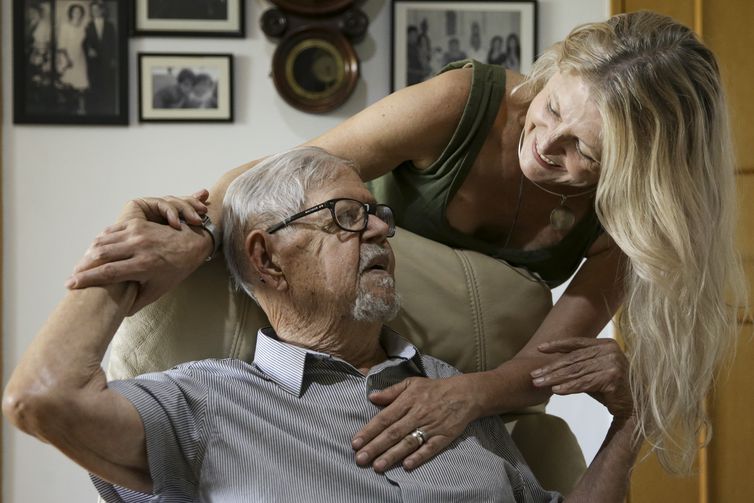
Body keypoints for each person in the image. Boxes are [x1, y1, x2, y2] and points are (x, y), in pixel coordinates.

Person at [65, 11, 747, 477]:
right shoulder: (460, 102)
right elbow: (277, 181)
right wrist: (190, 231)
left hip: (475, 366)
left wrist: (469, 398)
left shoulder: (626, 216)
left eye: (583, 154)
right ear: (555, 70)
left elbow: (549, 358)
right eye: (552, 109)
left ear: (636, 174)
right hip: (345, 315)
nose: (546, 145)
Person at [4, 147, 638, 502]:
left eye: (380, 214)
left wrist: (632, 418)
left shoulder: (453, 390)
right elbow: (39, 399)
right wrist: (127, 259)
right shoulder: (198, 402)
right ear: (266, 258)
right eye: (346, 216)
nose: (384, 230)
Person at [83, 0, 117, 115]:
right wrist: (88, 49)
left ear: (102, 10)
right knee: (94, 82)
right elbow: (84, 43)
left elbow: (114, 43)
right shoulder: (88, 26)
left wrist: (113, 58)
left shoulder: (110, 26)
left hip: (107, 59)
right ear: (91, 12)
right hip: (93, 60)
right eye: (93, 10)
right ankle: (94, 108)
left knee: (107, 82)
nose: (96, 12)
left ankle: (106, 107)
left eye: (98, 9)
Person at [56, 4, 89, 114]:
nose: (77, 14)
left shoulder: (83, 27)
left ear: (82, 14)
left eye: (79, 12)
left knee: (81, 84)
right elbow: (61, 45)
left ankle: (81, 109)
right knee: (67, 83)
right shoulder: (65, 26)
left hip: (80, 57)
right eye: (75, 12)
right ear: (71, 13)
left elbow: (85, 43)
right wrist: (67, 59)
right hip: (67, 56)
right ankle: (66, 109)